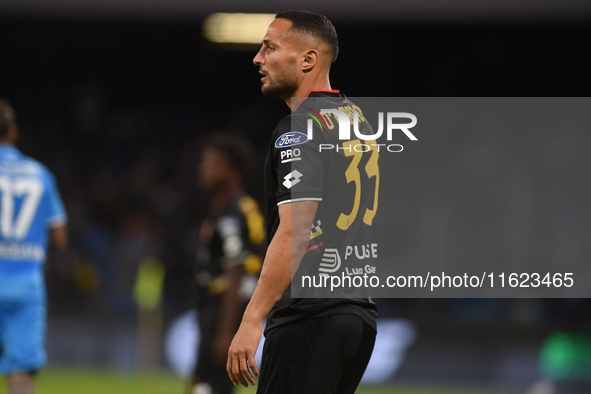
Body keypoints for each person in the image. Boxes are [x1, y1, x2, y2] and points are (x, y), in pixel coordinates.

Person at [227, 10, 379, 394]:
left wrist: (252, 317)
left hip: (309, 316)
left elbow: (296, 229)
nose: (258, 59)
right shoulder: (355, 119)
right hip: (358, 314)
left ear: (308, 59)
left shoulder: (299, 128)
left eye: (269, 48)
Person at [0, 98, 68, 394]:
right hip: (26, 285)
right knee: (21, 373)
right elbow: (60, 238)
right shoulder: (41, 174)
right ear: (13, 132)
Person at [190, 133, 265, 394]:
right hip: (219, 311)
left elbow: (237, 269)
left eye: (212, 163)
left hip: (225, 311)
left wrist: (226, 333)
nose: (204, 169)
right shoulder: (228, 208)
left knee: (208, 388)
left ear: (232, 170)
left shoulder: (234, 211)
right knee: (200, 385)